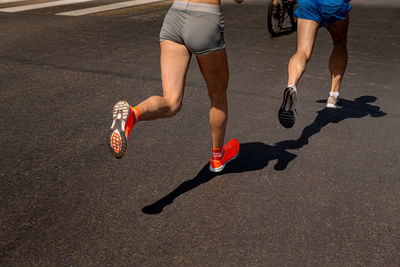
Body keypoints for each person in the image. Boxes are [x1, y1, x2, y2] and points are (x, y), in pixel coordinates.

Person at [108, 0, 243, 172]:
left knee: (171, 101)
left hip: (174, 17)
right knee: (218, 96)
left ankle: (133, 114)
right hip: (205, 19)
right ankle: (218, 157)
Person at [278, 0, 351, 128]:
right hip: (334, 4)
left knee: (302, 51)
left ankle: (291, 86)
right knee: (339, 43)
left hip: (310, 3)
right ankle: (333, 96)